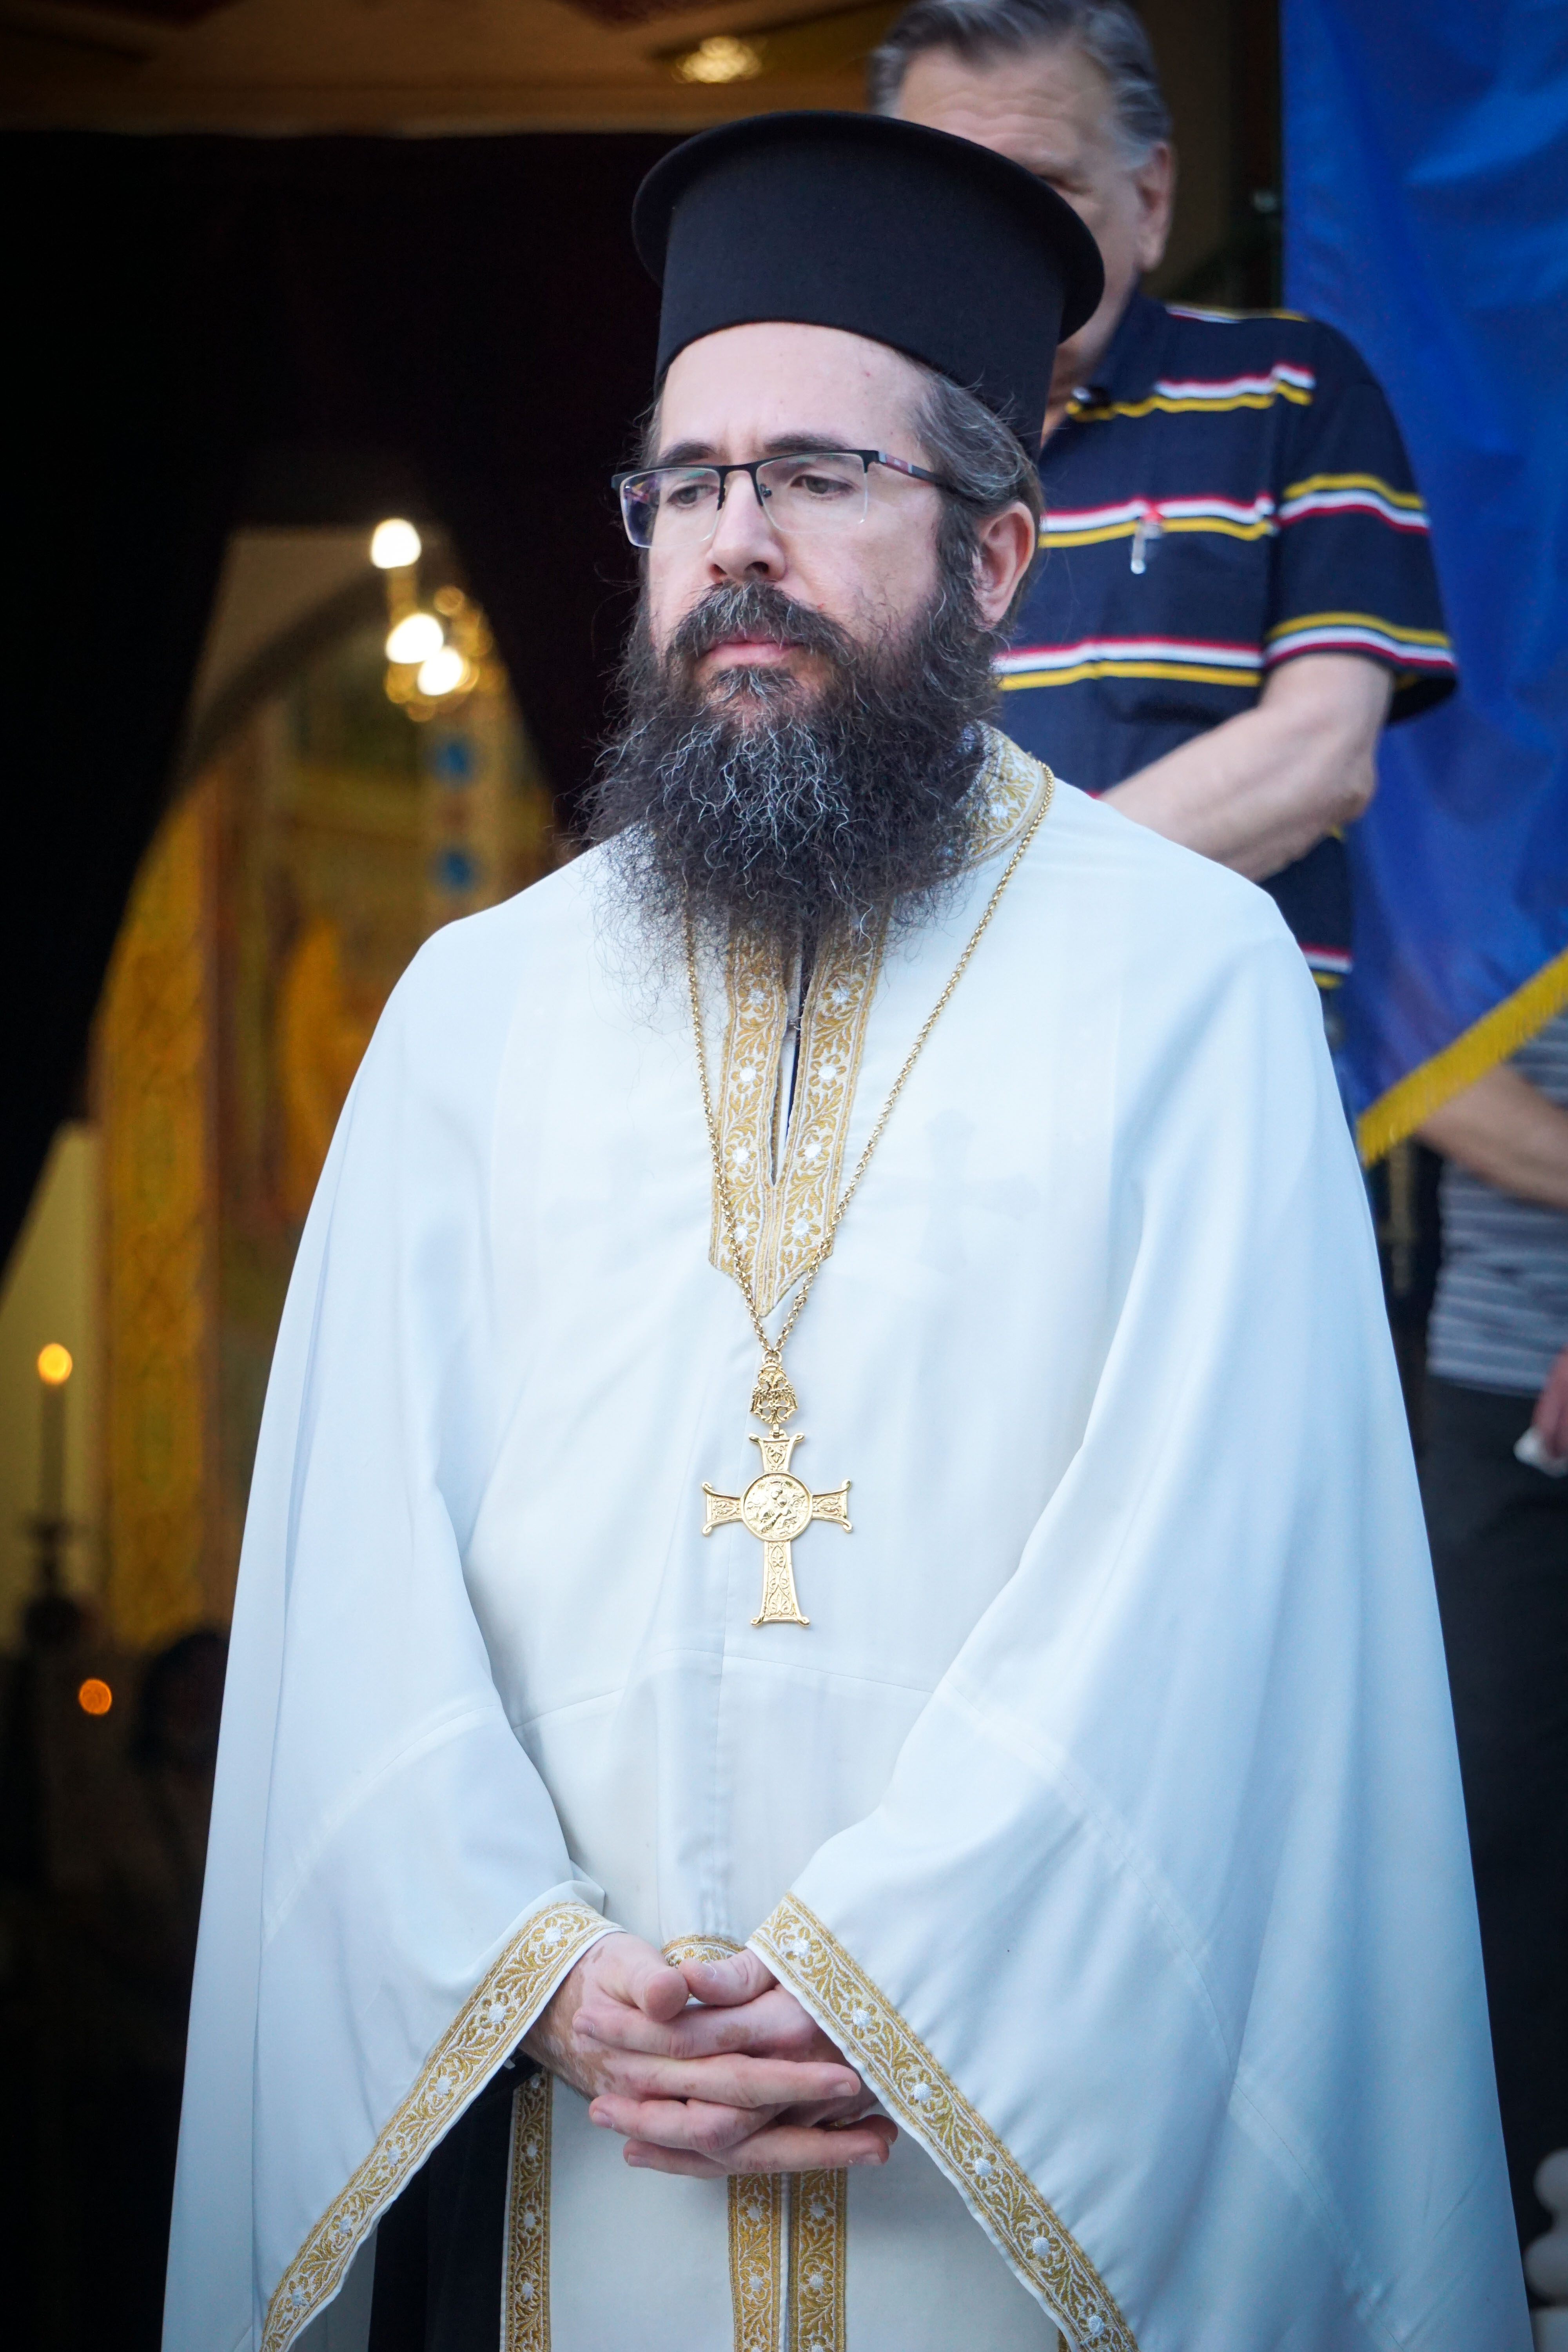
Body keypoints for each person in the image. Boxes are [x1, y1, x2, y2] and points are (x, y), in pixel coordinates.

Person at [164, 112, 1524, 2352]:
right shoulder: (475, 1012)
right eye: (688, 484)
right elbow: (354, 1583)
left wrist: (911, 1981)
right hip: (582, 2134)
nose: (738, 543)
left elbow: (1226, 1584)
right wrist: (523, 1962)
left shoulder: (1189, 986)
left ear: (997, 556)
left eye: (814, 475)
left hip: (1032, 2149)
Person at [877, 0, 1454, 1031]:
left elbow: (1321, 753)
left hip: (1217, 1044)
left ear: (1148, 198)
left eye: (1048, 185)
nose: (1004, 230)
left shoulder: (1291, 390)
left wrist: (992, 911)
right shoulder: (856, 446)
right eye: (959, 192)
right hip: (914, 1058)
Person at [1418, 1013, 1568, 2255]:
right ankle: (1496, 2235)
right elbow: (1437, 1075)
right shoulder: (1467, 882)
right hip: (1498, 1380)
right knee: (1488, 1822)